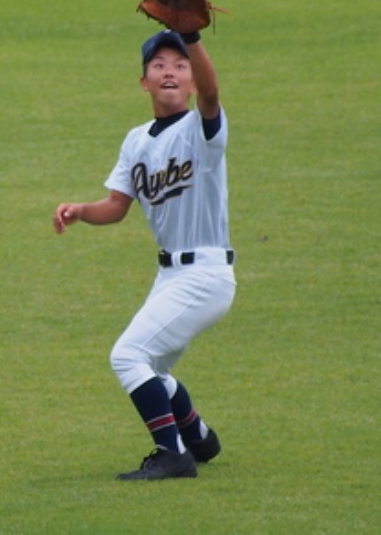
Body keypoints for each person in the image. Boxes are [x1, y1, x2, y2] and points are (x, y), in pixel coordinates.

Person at [53, 27, 237, 481]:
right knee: (151, 367)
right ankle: (198, 436)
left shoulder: (203, 131)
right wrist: (80, 211)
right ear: (144, 82)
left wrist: (193, 35)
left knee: (127, 356)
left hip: (207, 274)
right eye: (159, 65)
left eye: (180, 66)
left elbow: (213, 92)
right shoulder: (136, 141)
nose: (170, 72)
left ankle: (172, 454)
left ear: (192, 81)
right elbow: (116, 207)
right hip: (170, 277)